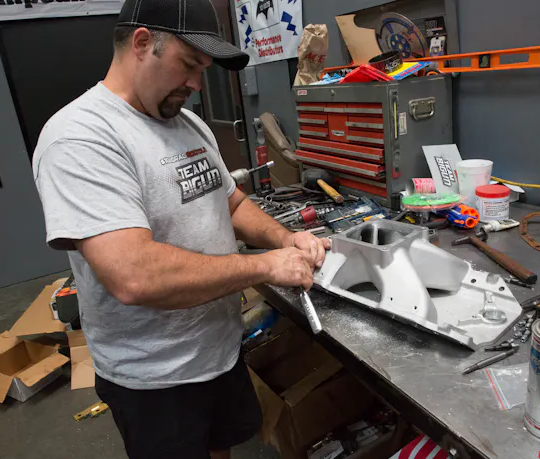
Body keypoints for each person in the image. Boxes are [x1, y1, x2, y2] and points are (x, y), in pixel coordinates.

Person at [32, 0, 330, 457]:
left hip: (219, 351)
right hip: (155, 380)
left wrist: (285, 238)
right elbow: (134, 276)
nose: (196, 84)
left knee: (222, 447)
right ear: (142, 43)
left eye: (203, 69)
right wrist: (265, 266)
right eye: (189, 64)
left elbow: (228, 201)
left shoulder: (187, 123)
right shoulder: (80, 138)